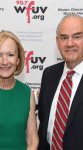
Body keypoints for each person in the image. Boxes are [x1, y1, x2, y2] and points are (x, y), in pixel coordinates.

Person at [38, 14, 83, 150]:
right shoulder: (49, 74)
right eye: (64, 38)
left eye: (77, 36)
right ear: (57, 42)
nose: (70, 43)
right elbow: (43, 120)